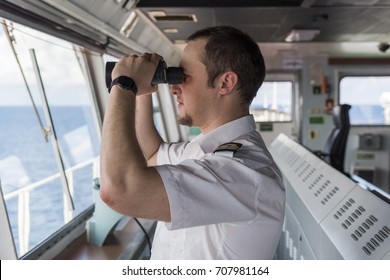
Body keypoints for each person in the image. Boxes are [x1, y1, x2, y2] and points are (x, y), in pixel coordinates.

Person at [100, 25, 285, 259]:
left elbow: (119, 191)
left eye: (183, 77)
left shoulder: (244, 172)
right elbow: (151, 154)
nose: (174, 88)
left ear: (225, 83)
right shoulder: (205, 150)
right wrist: (143, 91)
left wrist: (124, 85)